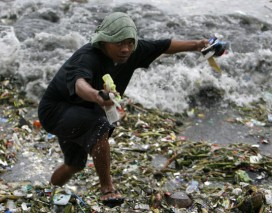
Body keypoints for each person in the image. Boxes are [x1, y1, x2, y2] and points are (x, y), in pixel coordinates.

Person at [38, 12, 208, 207]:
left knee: (75, 164)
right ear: (104, 41)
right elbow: (79, 84)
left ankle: (48, 193)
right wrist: (97, 96)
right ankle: (107, 188)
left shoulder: (134, 50)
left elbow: (164, 45)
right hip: (56, 111)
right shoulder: (88, 57)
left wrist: (196, 45)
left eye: (129, 42)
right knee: (99, 126)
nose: (126, 49)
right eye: (119, 43)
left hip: (84, 112)